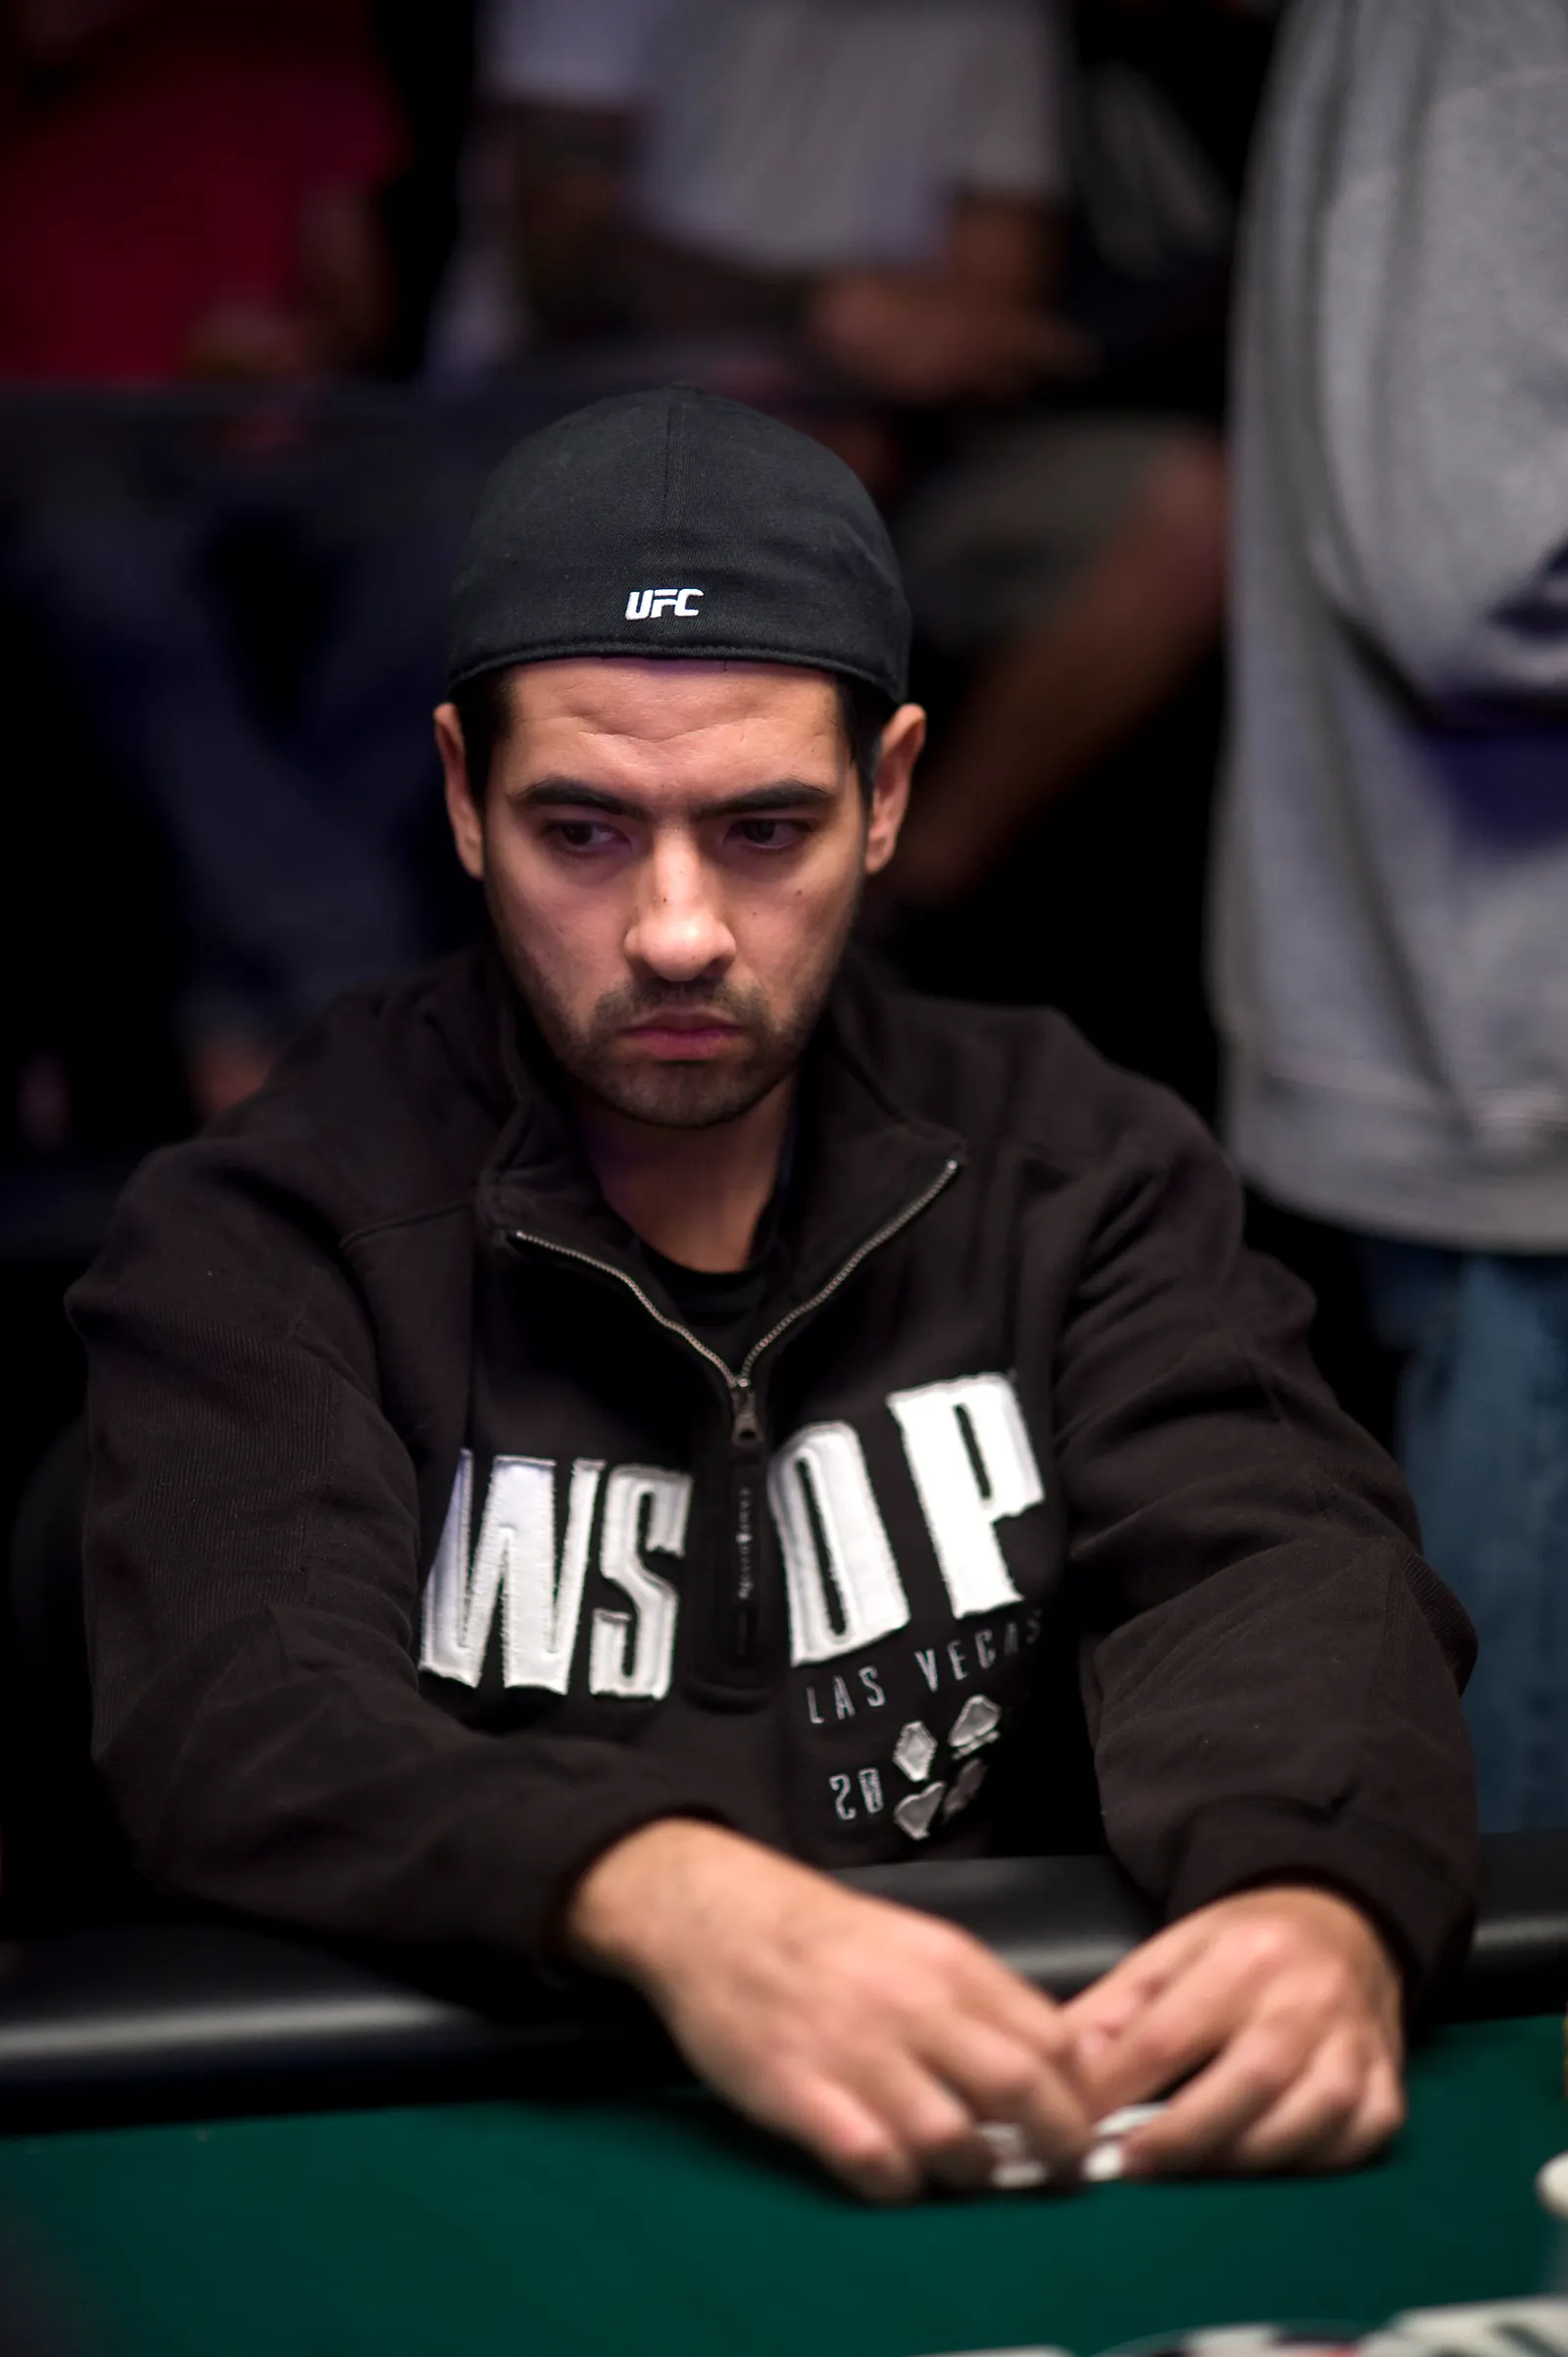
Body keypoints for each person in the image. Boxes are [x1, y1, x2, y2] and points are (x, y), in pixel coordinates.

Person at [73, 387, 1475, 2201]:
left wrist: (1314, 1888)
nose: (676, 930)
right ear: (464, 797)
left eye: (761, 828)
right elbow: (244, 1706)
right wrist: (666, 1897)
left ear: (887, 794)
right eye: (585, 830)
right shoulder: (269, 1222)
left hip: (1006, 2144)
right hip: (478, 2163)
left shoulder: (1079, 1158)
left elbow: (1273, 1559)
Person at [433, 0, 1227, 916]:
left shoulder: (993, 18)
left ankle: (882, 912)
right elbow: (560, 263)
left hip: (883, 436)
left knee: (1193, 507)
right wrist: (820, 318)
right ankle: (616, 914)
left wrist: (905, 391)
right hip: (591, 410)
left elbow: (987, 309)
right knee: (737, 513)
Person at [1210, 0, 1568, 1834]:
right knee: (1526, 1895)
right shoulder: (1495, 23)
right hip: (1507, 1073)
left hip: (1482, 1042)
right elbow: (1472, 571)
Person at [0, 0, 459, 1118]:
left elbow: (357, 299)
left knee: (462, 528)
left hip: (280, 434)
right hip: (57, 419)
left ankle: (244, 977)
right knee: (100, 565)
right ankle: (343, 950)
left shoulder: (306, 30)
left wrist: (301, 347)